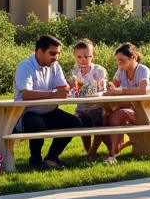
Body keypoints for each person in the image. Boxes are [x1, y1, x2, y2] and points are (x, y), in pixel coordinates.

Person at [14, 34, 81, 170]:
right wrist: (53, 94)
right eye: (52, 53)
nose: (56, 57)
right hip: (28, 111)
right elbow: (26, 94)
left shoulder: (54, 66)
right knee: (37, 125)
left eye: (57, 54)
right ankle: (36, 161)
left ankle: (52, 157)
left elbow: (62, 87)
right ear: (39, 51)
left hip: (49, 110)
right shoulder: (25, 66)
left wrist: (68, 89)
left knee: (74, 122)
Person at [104, 43, 150, 163]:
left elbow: (143, 90)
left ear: (134, 57)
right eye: (117, 61)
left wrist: (121, 91)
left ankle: (114, 150)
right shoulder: (121, 70)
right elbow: (113, 86)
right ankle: (112, 153)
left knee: (117, 112)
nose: (119, 63)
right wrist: (109, 87)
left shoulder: (143, 70)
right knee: (112, 114)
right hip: (133, 109)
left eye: (122, 60)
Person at [68, 40, 110, 162]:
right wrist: (71, 87)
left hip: (97, 105)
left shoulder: (98, 70)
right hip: (82, 106)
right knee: (82, 125)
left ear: (92, 56)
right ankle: (88, 150)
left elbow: (101, 88)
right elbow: (74, 89)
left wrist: (87, 90)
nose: (83, 60)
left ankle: (93, 152)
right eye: (79, 57)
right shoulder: (75, 71)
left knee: (97, 122)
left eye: (86, 56)